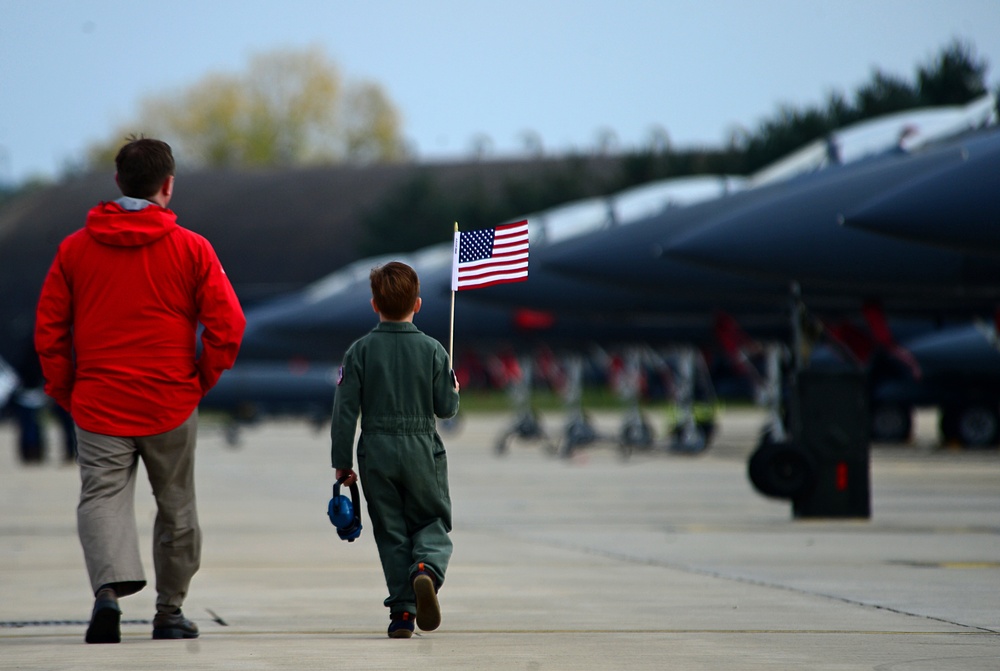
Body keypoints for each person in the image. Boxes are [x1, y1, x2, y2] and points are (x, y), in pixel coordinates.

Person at [34, 137, 246, 644]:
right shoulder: (193, 249)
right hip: (169, 400)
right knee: (177, 507)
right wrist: (199, 380)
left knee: (101, 499)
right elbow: (228, 326)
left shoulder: (74, 250)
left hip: (98, 401)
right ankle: (169, 613)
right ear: (167, 186)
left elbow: (49, 332)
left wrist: (68, 391)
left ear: (117, 183)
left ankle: (106, 594)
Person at [330, 261, 460, 639]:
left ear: (374, 304)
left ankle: (402, 614)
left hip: (376, 450)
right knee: (431, 520)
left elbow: (344, 413)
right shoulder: (434, 350)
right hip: (421, 447)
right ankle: (427, 570)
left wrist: (342, 463)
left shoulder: (359, 352)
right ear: (417, 304)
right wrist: (453, 388)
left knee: (391, 530)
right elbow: (445, 409)